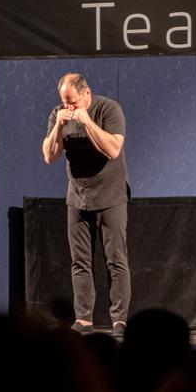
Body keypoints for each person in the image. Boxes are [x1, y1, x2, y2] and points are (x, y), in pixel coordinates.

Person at [42, 73, 130, 336]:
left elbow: (113, 150)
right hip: (78, 197)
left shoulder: (108, 109)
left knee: (115, 260)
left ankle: (119, 321)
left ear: (86, 93)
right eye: (65, 102)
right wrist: (58, 126)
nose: (69, 107)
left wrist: (87, 121)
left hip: (111, 196)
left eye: (73, 102)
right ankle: (83, 319)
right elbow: (49, 157)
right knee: (80, 261)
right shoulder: (58, 114)